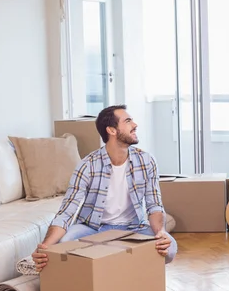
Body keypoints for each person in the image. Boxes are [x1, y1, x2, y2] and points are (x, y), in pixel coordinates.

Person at [31, 104, 177, 272]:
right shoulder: (87, 165)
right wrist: (45, 246)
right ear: (112, 130)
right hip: (93, 228)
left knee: (169, 248)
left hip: (133, 227)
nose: (135, 125)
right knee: (65, 244)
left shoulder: (146, 161)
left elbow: (154, 206)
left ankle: (121, 270)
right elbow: (66, 212)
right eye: (128, 121)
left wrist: (161, 232)